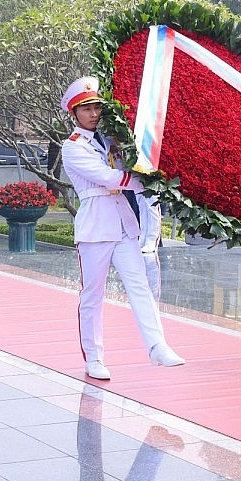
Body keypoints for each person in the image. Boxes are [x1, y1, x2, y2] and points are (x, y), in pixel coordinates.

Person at [60, 77, 183, 379]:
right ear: (73, 114)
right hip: (95, 226)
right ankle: (94, 357)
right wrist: (145, 180)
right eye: (85, 109)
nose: (92, 113)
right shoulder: (72, 146)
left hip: (124, 224)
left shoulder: (111, 140)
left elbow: (129, 163)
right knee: (92, 294)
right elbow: (107, 177)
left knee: (139, 285)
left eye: (96, 108)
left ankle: (157, 346)